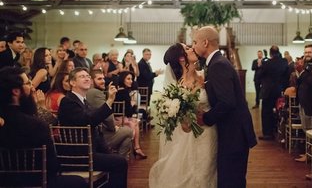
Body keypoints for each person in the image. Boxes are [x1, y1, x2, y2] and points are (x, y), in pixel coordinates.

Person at [0, 66, 86, 188]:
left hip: (5, 182)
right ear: (16, 91)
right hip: (36, 182)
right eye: (28, 83)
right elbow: (52, 167)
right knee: (79, 182)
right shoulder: (36, 125)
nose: (32, 87)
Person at [193, 26, 257, 188]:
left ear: (205, 42)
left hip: (233, 134)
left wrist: (206, 118)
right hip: (232, 131)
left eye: (195, 42)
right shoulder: (217, 62)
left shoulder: (218, 65)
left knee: (231, 180)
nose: (193, 46)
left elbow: (227, 102)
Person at [149, 43, 218, 187]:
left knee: (209, 170)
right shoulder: (179, 87)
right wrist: (187, 116)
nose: (192, 48)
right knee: (197, 172)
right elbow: (184, 126)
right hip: (194, 135)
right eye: (187, 49)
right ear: (181, 58)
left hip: (211, 130)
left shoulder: (204, 75)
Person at [57, 67, 128, 188]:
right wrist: (109, 101)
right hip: (78, 155)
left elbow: (95, 125)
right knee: (120, 162)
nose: (87, 78)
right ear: (72, 83)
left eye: (88, 76)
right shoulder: (68, 101)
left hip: (88, 151)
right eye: (82, 76)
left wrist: (107, 152)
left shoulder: (83, 101)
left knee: (117, 159)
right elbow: (89, 121)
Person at [87, 69, 133, 159]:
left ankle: (118, 159)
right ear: (92, 81)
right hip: (100, 135)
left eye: (103, 78)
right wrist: (113, 128)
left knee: (127, 135)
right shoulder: (95, 92)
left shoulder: (92, 92)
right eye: (99, 79)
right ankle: (119, 160)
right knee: (129, 131)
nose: (103, 81)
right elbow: (108, 118)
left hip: (98, 130)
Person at [258, 45, 288, 140]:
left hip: (267, 91)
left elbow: (259, 75)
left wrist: (260, 66)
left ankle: (268, 133)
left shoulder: (266, 63)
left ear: (270, 53)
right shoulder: (284, 62)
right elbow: (286, 75)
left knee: (266, 112)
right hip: (279, 90)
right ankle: (276, 130)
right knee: (278, 111)